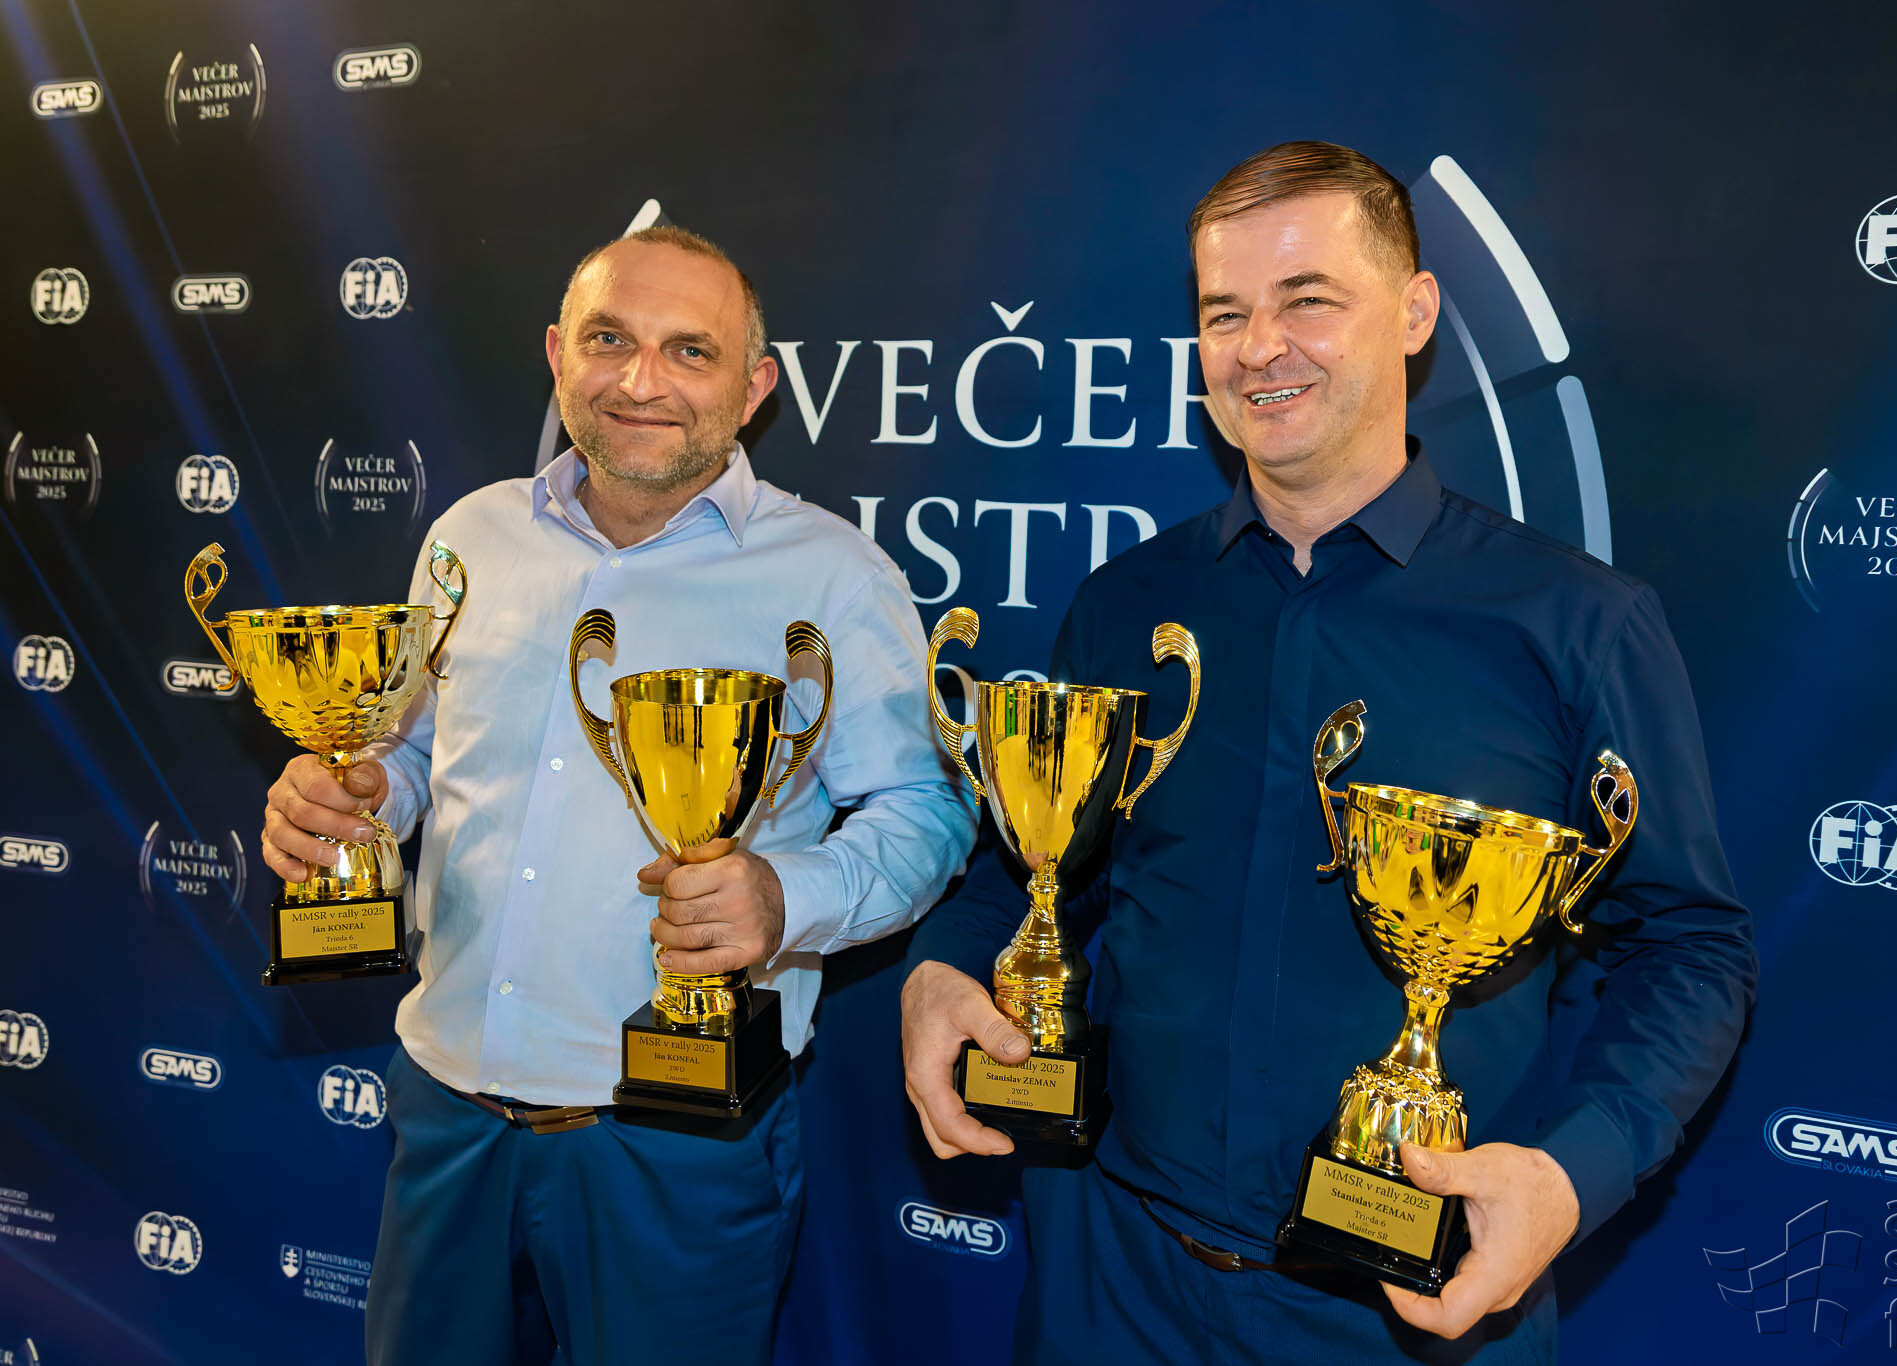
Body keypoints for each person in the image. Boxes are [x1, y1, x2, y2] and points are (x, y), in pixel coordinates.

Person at [901, 141, 1755, 1363]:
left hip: (1398, 1314)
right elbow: (1033, 869)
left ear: (1413, 314)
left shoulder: (1573, 623)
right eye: (1223, 313)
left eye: (1306, 300)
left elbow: (1687, 946)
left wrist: (1571, 1173)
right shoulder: (1125, 602)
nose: (1259, 347)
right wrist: (942, 966)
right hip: (1110, 1280)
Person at [260, 225, 975, 1366]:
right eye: (608, 340)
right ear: (557, 354)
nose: (641, 381)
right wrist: (352, 801)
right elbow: (418, 758)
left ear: (755, 389)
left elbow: (926, 811)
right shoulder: (469, 538)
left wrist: (784, 899)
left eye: (690, 351)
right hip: (446, 1113)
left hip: (676, 1145)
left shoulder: (833, 575)